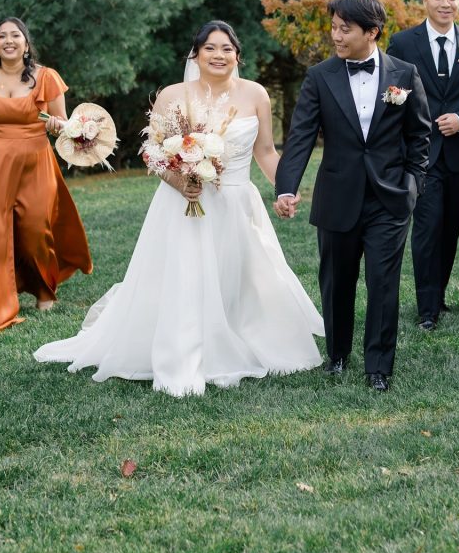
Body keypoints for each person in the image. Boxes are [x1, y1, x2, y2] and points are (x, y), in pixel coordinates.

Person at [34, 21, 324, 397]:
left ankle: (244, 337)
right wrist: (181, 181)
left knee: (241, 274)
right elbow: (151, 153)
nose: (219, 56)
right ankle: (185, 350)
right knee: (187, 275)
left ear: (237, 55)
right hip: (183, 203)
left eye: (227, 49)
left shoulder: (256, 94)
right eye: (210, 49)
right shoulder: (173, 95)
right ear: (196, 55)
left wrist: (284, 190)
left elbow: (265, 152)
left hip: (237, 200)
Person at [274, 0, 431, 392]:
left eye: (345, 29)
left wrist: (412, 185)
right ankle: (338, 354)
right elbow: (301, 137)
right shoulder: (319, 77)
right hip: (337, 197)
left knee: (383, 282)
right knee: (336, 280)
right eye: (334, 28)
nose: (336, 36)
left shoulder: (404, 73)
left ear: (372, 32)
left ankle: (379, 366)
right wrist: (287, 187)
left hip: (389, 199)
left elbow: (420, 136)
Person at [0, 17, 92, 332]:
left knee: (35, 227)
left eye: (16, 35)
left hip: (35, 159)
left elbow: (64, 123)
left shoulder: (46, 77)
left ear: (26, 44)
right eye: (2, 36)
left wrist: (58, 126)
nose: (9, 40)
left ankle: (43, 289)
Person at [388, 0, 459, 331]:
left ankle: (439, 295)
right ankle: (427, 308)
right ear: (425, 1)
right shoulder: (403, 43)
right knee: (427, 228)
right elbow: (391, 93)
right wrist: (429, 119)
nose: (446, 4)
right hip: (421, 153)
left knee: (451, 227)